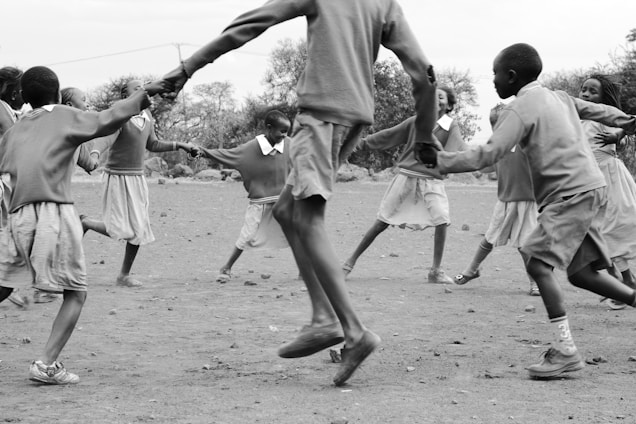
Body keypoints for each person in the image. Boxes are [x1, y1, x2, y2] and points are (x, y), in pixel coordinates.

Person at [161, 0, 439, 386]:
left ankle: (351, 330)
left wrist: (185, 69)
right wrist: (425, 134)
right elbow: (425, 75)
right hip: (351, 119)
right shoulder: (383, 4)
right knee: (289, 212)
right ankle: (323, 317)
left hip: (321, 116)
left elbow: (248, 25)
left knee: (307, 220)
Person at [418, 43, 636, 379]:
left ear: (511, 76)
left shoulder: (518, 109)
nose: (492, 81)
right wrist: (627, 120)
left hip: (568, 193)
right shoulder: (559, 97)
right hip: (590, 187)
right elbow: (595, 110)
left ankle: (565, 351)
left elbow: (488, 154)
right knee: (580, 273)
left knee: (537, 263)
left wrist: (442, 160)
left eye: (494, 74)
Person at [0, 66, 166, 384]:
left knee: (5, 285)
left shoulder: (17, 129)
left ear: (25, 97)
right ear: (57, 93)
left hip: (18, 215)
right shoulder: (65, 116)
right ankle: (47, 364)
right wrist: (150, 92)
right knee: (75, 293)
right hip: (54, 212)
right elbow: (113, 116)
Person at [342, 86, 466, 284]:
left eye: (440, 97)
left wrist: (432, 140)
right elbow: (388, 136)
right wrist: (360, 143)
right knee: (382, 221)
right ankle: (348, 264)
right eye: (432, 97)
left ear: (449, 104)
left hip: (432, 181)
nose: (436, 101)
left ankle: (436, 271)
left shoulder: (451, 126)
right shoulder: (415, 122)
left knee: (442, 221)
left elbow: (451, 156)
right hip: (406, 177)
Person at [80, 79, 197, 288]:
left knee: (138, 229)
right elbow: (106, 137)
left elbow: (152, 143)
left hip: (137, 177)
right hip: (117, 177)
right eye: (137, 88)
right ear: (127, 95)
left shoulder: (147, 116)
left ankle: (123, 275)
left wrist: (181, 145)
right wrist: (95, 154)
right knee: (121, 229)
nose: (144, 91)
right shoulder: (120, 112)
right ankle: (86, 222)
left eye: (144, 87)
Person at [453, 103, 540, 296]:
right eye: (496, 124)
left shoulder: (526, 145)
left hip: (527, 201)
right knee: (489, 237)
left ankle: (536, 281)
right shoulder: (496, 148)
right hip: (505, 201)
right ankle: (472, 269)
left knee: (525, 245)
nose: (500, 128)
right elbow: (484, 166)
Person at [196, 110, 292, 283]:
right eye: (281, 131)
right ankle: (226, 267)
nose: (284, 135)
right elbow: (225, 154)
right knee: (246, 236)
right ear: (269, 128)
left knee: (298, 234)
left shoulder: (289, 145)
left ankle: (305, 269)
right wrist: (202, 152)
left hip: (283, 201)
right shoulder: (250, 149)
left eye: (287, 132)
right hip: (259, 203)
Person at [578, 74, 636, 309]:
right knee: (593, 231)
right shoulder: (580, 119)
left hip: (609, 178)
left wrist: (618, 135)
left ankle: (623, 281)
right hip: (589, 180)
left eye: (593, 91)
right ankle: (620, 279)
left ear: (603, 98)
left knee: (610, 229)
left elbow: (631, 123)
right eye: (584, 90)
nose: (586, 94)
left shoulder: (605, 114)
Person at [0, 66, 29, 308]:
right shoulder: (1, 110)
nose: (25, 95)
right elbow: (18, 140)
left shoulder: (10, 111)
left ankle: (8, 286)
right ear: (12, 93)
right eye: (22, 90)